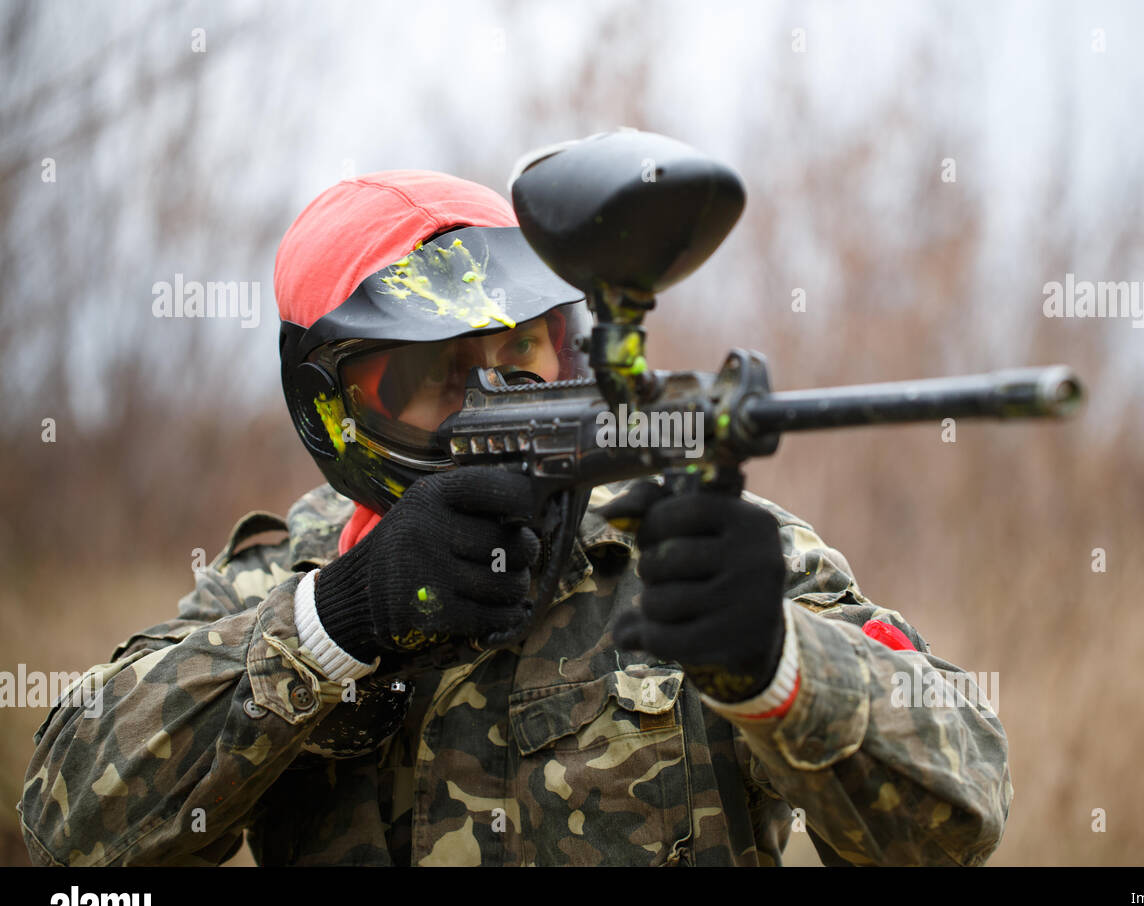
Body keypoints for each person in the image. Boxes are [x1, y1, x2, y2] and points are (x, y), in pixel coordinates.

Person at [18, 169, 1012, 866]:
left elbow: (958, 819)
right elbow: (73, 832)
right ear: (332, 403)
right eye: (425, 375)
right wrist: (340, 621)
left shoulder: (689, 549)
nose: (490, 398)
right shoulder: (286, 578)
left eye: (518, 356)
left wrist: (777, 667)